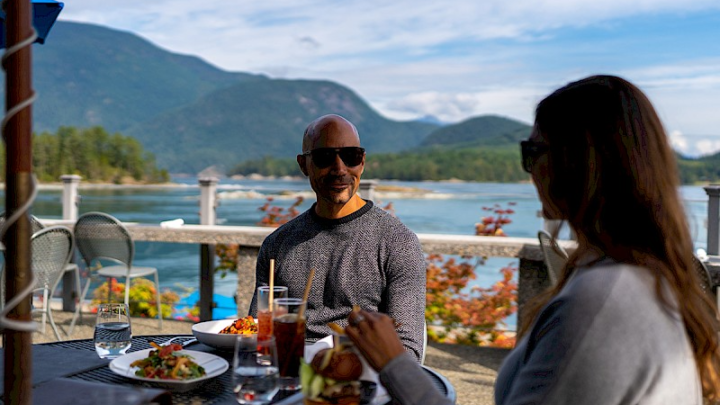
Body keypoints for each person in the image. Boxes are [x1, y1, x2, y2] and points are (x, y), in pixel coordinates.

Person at [345, 75, 720, 404]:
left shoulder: (604, 299)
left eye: (532, 152)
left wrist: (394, 363)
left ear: (575, 164)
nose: (530, 171)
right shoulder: (649, 280)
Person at [249, 114, 426, 361]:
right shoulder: (277, 244)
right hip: (288, 373)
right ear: (303, 164)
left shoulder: (398, 243)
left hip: (361, 379)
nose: (340, 169)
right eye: (324, 157)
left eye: (350, 156)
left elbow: (407, 349)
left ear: (362, 162)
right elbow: (259, 331)